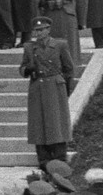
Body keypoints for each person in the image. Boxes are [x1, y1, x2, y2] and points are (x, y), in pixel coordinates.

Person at [19, 17, 77, 167]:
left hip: (55, 85)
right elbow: (22, 68)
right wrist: (27, 69)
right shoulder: (29, 47)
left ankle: (60, 156)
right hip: (37, 86)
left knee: (57, 122)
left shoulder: (60, 45)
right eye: (36, 31)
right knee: (38, 122)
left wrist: (65, 86)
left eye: (41, 30)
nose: (38, 33)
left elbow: (69, 68)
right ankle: (43, 158)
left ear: (48, 30)